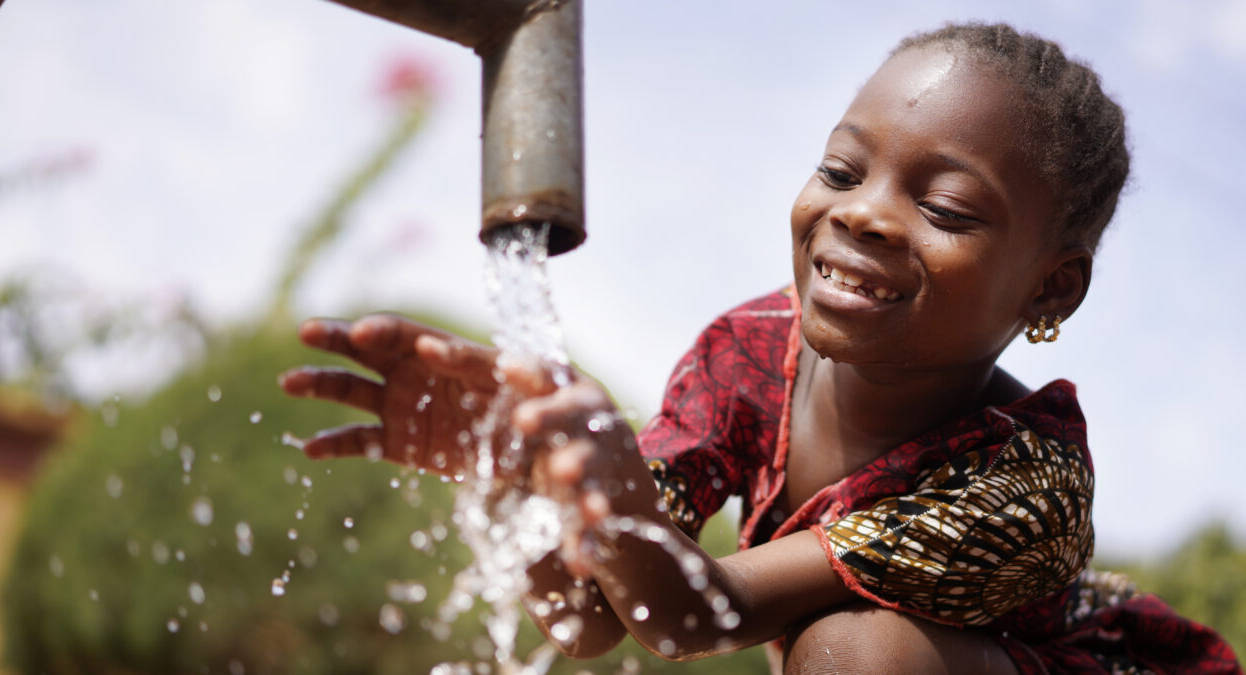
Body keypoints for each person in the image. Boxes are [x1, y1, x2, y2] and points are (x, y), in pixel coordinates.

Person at [279, 22, 1242, 674]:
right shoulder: (747, 353)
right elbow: (591, 617)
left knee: (857, 652)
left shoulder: (1026, 479)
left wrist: (612, 493)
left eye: (943, 207)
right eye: (840, 167)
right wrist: (515, 477)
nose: (862, 212)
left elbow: (693, 613)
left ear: (1049, 287)